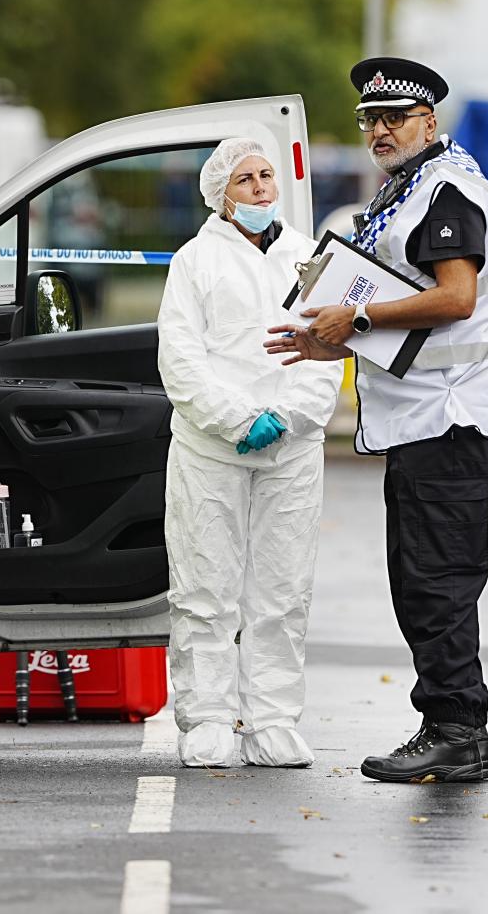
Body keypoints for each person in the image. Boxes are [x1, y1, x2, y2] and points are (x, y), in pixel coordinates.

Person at [266, 58, 488, 783]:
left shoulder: (447, 189)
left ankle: (459, 730)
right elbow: (401, 306)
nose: (379, 130)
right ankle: (446, 722)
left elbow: (456, 297)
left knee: (439, 581)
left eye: (394, 118)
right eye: (370, 120)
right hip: (420, 417)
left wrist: (361, 315)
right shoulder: (407, 188)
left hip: (451, 414)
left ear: (428, 122)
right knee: (418, 579)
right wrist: (329, 339)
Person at [157, 137, 342, 768]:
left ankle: (272, 720)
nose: (262, 188)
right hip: (212, 451)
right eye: (246, 180)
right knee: (205, 586)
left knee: (283, 589)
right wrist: (239, 419)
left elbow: (327, 349)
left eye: (267, 176)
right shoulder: (195, 261)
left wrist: (288, 417)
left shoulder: (310, 259)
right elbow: (179, 361)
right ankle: (206, 717)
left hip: (292, 450)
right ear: (221, 195)